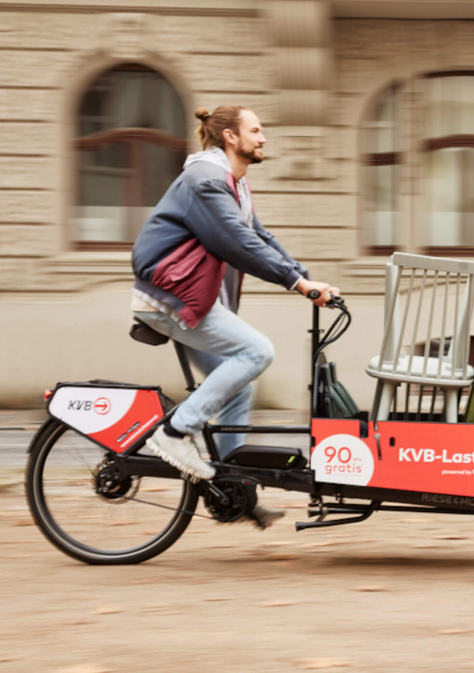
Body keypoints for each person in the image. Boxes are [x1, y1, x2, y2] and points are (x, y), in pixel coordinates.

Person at [131, 105, 337, 527]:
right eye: (256, 131)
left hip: (193, 301)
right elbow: (238, 242)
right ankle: (173, 434)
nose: (262, 139)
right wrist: (296, 284)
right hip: (170, 300)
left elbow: (261, 237)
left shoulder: (234, 185)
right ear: (230, 136)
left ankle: (232, 487)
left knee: (239, 383)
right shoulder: (206, 180)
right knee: (257, 352)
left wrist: (307, 280)